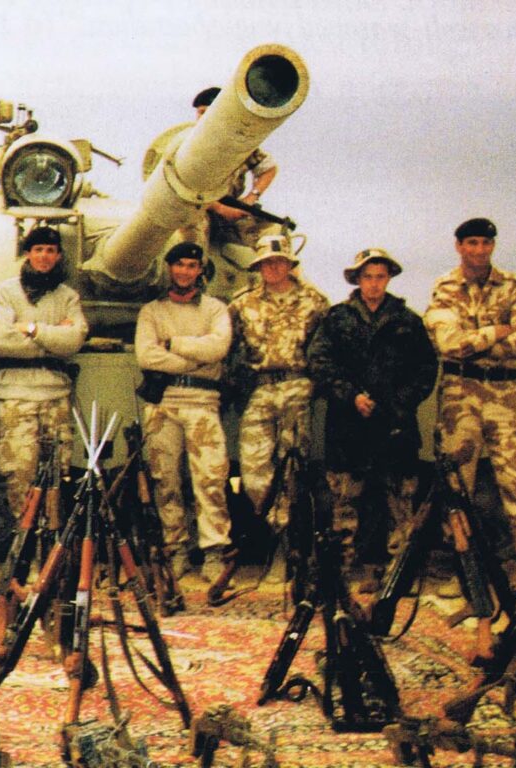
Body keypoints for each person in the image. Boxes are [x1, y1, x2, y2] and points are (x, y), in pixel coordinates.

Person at [424, 217, 516, 591]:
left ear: (493, 246)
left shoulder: (513, 286)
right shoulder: (446, 287)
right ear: (459, 246)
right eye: (472, 243)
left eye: (485, 243)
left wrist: (473, 339)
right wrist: (496, 331)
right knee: (457, 486)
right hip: (461, 395)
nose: (479, 250)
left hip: (505, 396)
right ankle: (466, 573)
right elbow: (448, 343)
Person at [307, 248, 438, 591]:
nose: (374, 284)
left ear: (389, 279)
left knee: (399, 501)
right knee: (345, 501)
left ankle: (399, 574)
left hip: (394, 423)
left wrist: (397, 402)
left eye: (380, 276)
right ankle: (342, 573)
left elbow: (425, 369)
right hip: (347, 425)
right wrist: (350, 395)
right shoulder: (336, 319)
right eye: (368, 276)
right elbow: (320, 362)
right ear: (357, 280)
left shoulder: (407, 321)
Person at [229, 233, 329, 580]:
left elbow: (325, 348)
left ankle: (288, 551)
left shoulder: (314, 302)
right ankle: (272, 530)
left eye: (279, 261)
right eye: (266, 262)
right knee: (255, 472)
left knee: (294, 472)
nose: (273, 267)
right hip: (260, 389)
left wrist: (316, 383)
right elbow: (230, 350)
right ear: (258, 267)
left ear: (289, 264)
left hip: (298, 388)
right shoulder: (242, 305)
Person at [134, 242, 234, 582]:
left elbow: (219, 347)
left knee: (210, 478)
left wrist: (173, 344)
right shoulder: (152, 311)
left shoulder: (216, 309)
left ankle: (213, 552)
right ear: (169, 268)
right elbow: (147, 357)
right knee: (166, 480)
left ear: (200, 271)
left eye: (191, 266)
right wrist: (197, 355)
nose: (184, 272)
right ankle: (175, 548)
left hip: (203, 402)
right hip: (164, 403)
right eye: (178, 265)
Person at [0, 226, 88, 522]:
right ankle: (25, 540)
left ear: (58, 256)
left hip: (55, 394)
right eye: (38, 250)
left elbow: (75, 340)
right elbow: (1, 340)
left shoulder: (67, 295)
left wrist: (32, 330)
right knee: (20, 471)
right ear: (28, 253)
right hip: (16, 394)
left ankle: (49, 544)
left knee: (57, 474)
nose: (44, 256)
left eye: (50, 250)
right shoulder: (6, 291)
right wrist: (55, 335)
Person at [193, 86, 278, 250]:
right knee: (195, 234)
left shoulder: (240, 144)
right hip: (198, 210)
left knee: (273, 233)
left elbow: (269, 168)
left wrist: (251, 198)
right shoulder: (186, 147)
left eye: (207, 112)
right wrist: (220, 208)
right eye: (200, 112)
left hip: (232, 210)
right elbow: (185, 189)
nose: (202, 118)